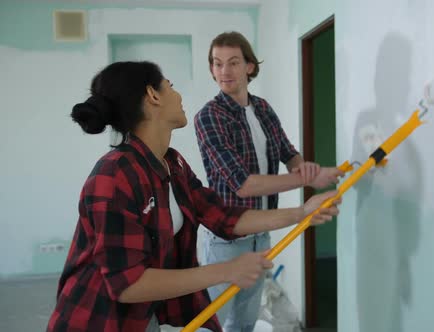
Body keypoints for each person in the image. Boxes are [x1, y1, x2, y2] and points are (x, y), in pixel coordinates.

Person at [46, 61, 340, 332]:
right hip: (95, 318)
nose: (178, 93)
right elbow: (128, 283)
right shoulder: (113, 176)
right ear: (153, 95)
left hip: (141, 316)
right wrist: (227, 270)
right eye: (170, 85)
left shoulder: (172, 163)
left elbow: (222, 216)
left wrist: (303, 213)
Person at [194, 31, 344, 332]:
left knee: (245, 321)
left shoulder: (262, 108)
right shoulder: (208, 117)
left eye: (233, 62)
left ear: (249, 66)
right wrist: (305, 182)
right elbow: (243, 184)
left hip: (261, 235)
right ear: (211, 68)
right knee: (214, 323)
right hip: (227, 239)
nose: (224, 71)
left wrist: (311, 172)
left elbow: (290, 155)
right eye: (217, 63)